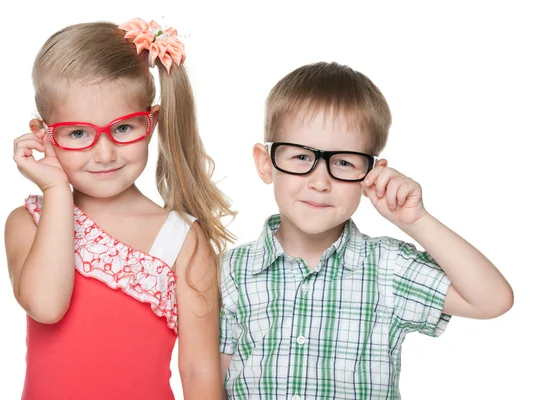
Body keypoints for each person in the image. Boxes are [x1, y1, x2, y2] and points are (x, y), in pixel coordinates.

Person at [219, 61, 514, 399]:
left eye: (343, 162)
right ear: (265, 162)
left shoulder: (388, 267)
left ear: (372, 174)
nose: (320, 182)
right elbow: (218, 380)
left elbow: (492, 300)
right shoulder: (231, 270)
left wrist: (416, 221)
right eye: (301, 157)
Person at [4, 17, 234, 399]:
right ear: (45, 135)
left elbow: (198, 371)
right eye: (79, 133)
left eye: (123, 128)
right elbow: (46, 305)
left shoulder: (181, 239)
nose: (105, 153)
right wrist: (56, 190)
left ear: (152, 121)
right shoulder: (28, 222)